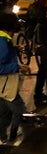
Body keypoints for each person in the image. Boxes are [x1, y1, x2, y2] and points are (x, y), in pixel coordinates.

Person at [0, 12, 30, 143]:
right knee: (23, 115)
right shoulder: (2, 42)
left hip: (4, 87)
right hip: (6, 88)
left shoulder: (4, 39)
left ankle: (4, 141)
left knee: (4, 116)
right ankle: (31, 142)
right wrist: (18, 67)